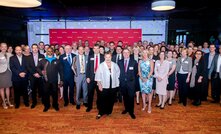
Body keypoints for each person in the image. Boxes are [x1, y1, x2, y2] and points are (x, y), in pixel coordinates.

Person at [37, 47, 63, 112]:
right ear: (46, 52)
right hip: (46, 81)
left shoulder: (57, 60)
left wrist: (61, 80)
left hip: (54, 81)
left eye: (51, 51)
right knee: (46, 94)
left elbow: (61, 71)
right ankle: (47, 106)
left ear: (53, 52)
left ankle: (55, 105)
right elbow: (37, 68)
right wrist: (41, 72)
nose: (50, 52)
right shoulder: (43, 60)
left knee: (55, 94)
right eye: (48, 51)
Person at [95, 51, 120, 119]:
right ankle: (101, 112)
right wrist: (99, 84)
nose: (108, 58)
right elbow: (97, 76)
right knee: (102, 99)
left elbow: (118, 73)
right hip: (104, 86)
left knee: (111, 99)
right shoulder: (101, 65)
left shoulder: (115, 65)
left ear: (111, 57)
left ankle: (108, 111)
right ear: (104, 57)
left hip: (113, 86)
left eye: (109, 57)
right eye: (106, 57)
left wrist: (116, 81)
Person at [118, 48, 138, 119]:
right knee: (125, 97)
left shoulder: (134, 62)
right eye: (124, 53)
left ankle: (131, 111)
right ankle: (126, 109)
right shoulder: (119, 62)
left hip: (131, 83)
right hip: (123, 83)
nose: (126, 54)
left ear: (129, 53)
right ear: (122, 54)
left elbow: (135, 73)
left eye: (127, 52)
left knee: (131, 97)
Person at [86, 44, 105, 112]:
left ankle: (99, 106)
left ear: (99, 49)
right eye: (95, 48)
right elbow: (87, 67)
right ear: (93, 49)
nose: (96, 50)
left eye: (97, 48)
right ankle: (89, 106)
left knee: (100, 94)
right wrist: (87, 77)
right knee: (90, 93)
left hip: (100, 79)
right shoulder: (90, 56)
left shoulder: (103, 57)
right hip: (91, 78)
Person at [26, 44, 45, 109]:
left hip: (40, 76)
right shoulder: (28, 57)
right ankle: (34, 102)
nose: (35, 49)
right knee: (33, 90)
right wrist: (34, 73)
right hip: (32, 76)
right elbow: (28, 67)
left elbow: (44, 66)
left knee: (42, 89)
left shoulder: (42, 56)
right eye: (33, 48)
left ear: (38, 48)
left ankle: (43, 101)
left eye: (36, 48)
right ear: (31, 49)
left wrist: (40, 73)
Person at [0, 43, 13, 109]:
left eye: (5, 47)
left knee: (8, 87)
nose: (4, 48)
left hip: (9, 72)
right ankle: (4, 102)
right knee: (2, 88)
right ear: (0, 48)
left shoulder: (9, 54)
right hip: (1, 73)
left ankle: (8, 101)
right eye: (3, 47)